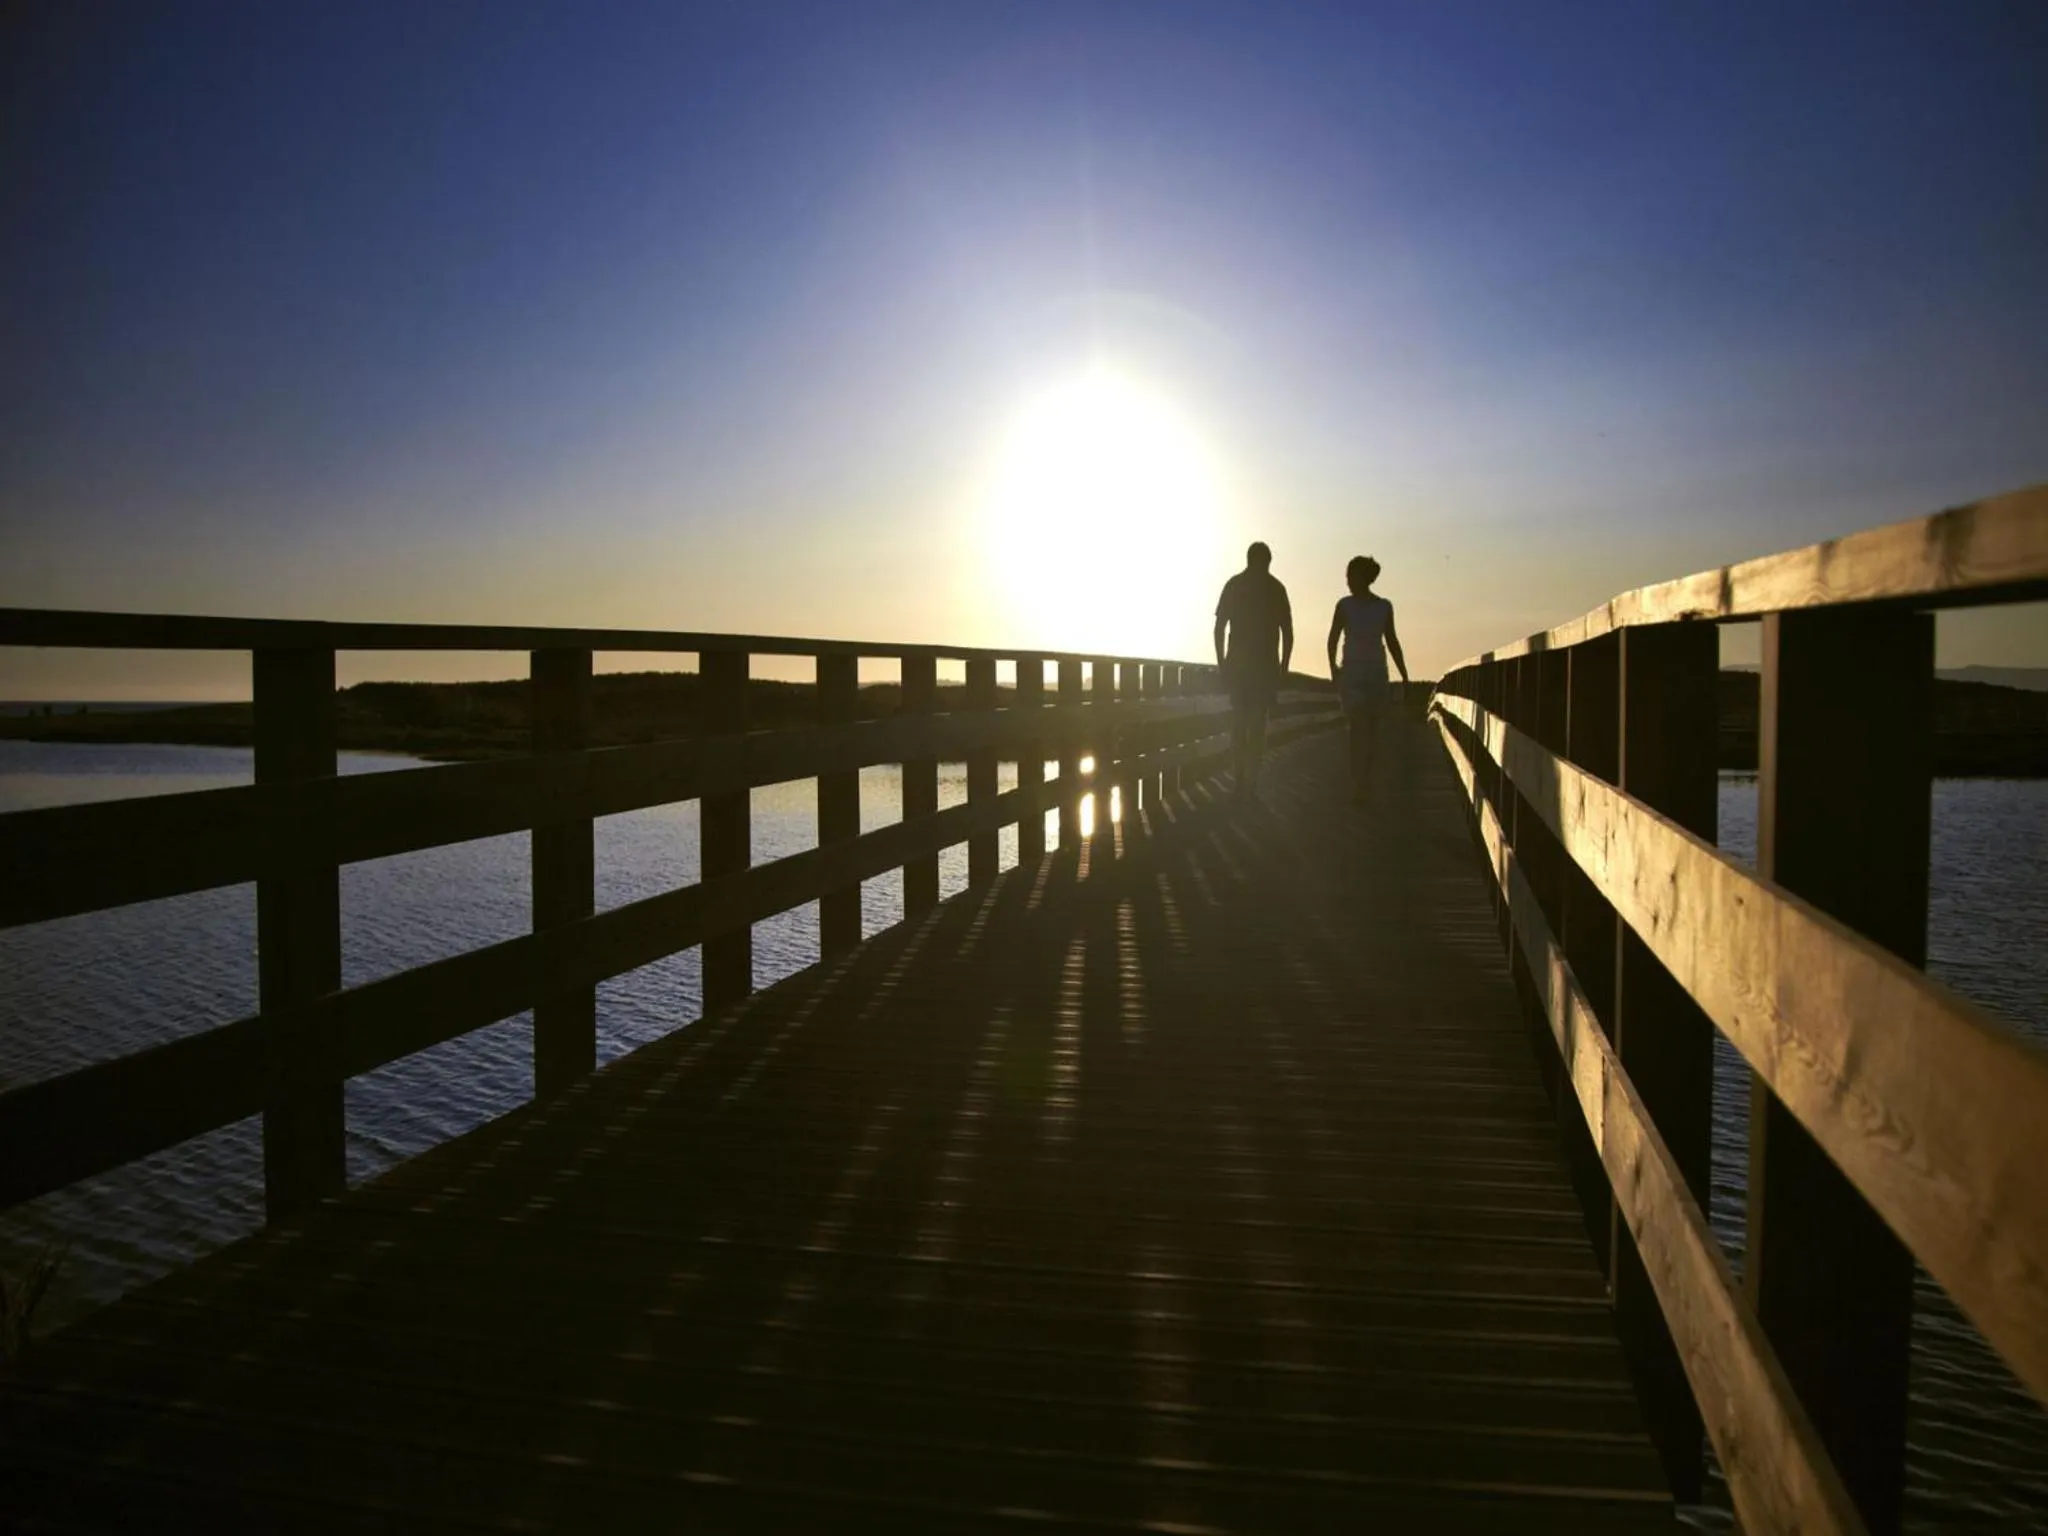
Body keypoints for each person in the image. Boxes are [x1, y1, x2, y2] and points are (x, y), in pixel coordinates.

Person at [1326, 555, 1409, 804]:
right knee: (1356, 728)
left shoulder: (1384, 606)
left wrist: (1404, 674)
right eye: (1347, 576)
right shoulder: (1343, 605)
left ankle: (1366, 779)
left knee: (1371, 731)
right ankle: (1359, 781)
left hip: (1375, 672)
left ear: (1365, 578)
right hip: (1352, 673)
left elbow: (1392, 640)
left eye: (1352, 576)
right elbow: (1332, 638)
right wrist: (1333, 668)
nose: (1348, 581)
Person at [1213, 541, 1293, 798]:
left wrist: (1221, 662)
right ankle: (1251, 781)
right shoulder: (1276, 588)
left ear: (1248, 559)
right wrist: (1284, 667)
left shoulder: (1234, 585)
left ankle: (1239, 779)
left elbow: (1219, 628)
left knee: (1239, 722)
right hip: (1265, 666)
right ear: (1267, 561)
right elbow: (1288, 632)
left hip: (1238, 665)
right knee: (1256, 725)